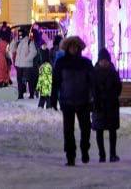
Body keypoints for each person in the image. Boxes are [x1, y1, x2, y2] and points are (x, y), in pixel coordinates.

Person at [50, 36, 92, 166]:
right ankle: (70, 156)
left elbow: (92, 82)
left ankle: (84, 149)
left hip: (83, 100)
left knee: (86, 129)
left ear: (79, 48)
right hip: (67, 101)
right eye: (71, 46)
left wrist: (94, 98)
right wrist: (53, 98)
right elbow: (56, 81)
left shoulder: (86, 63)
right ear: (67, 48)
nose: (73, 49)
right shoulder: (61, 63)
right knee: (68, 131)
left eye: (76, 47)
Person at [91, 48, 121, 163]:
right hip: (99, 105)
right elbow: (92, 89)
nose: (104, 62)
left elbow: (118, 87)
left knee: (112, 130)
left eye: (106, 60)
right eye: (102, 60)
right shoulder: (94, 72)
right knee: (99, 131)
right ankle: (102, 155)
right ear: (99, 61)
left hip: (111, 104)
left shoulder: (113, 72)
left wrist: (112, 95)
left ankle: (112, 154)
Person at [12, 29, 38, 99]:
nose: (20, 35)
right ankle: (20, 94)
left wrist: (27, 59)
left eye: (21, 33)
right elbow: (12, 50)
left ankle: (31, 94)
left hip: (27, 65)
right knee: (20, 80)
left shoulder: (29, 41)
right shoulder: (18, 42)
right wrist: (14, 41)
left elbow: (34, 52)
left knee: (29, 80)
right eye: (19, 33)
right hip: (19, 65)